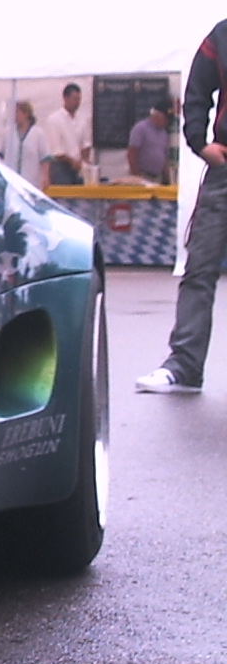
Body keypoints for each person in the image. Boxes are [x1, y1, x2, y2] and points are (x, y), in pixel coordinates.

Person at [138, 22, 227, 393]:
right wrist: (198, 142)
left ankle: (185, 365)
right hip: (225, 170)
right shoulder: (222, 36)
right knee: (199, 267)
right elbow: (197, 90)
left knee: (200, 270)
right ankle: (185, 366)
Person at [43, 81, 91, 185]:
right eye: (74, 99)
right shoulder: (54, 120)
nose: (77, 102)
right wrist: (72, 161)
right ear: (65, 98)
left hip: (78, 166)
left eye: (79, 99)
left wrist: (84, 160)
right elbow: (56, 150)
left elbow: (86, 143)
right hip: (60, 166)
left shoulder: (83, 119)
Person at [0, 99, 50, 187]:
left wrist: (45, 176)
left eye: (17, 112)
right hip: (11, 180)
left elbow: (44, 157)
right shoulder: (8, 133)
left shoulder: (38, 133)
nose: (14, 115)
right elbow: (0, 155)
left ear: (26, 114)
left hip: (31, 181)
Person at [127, 100, 171, 184]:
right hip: (142, 175)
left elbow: (164, 157)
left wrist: (166, 178)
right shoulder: (140, 129)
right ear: (156, 115)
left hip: (158, 178)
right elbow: (132, 154)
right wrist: (137, 176)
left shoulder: (164, 133)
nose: (167, 122)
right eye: (165, 119)